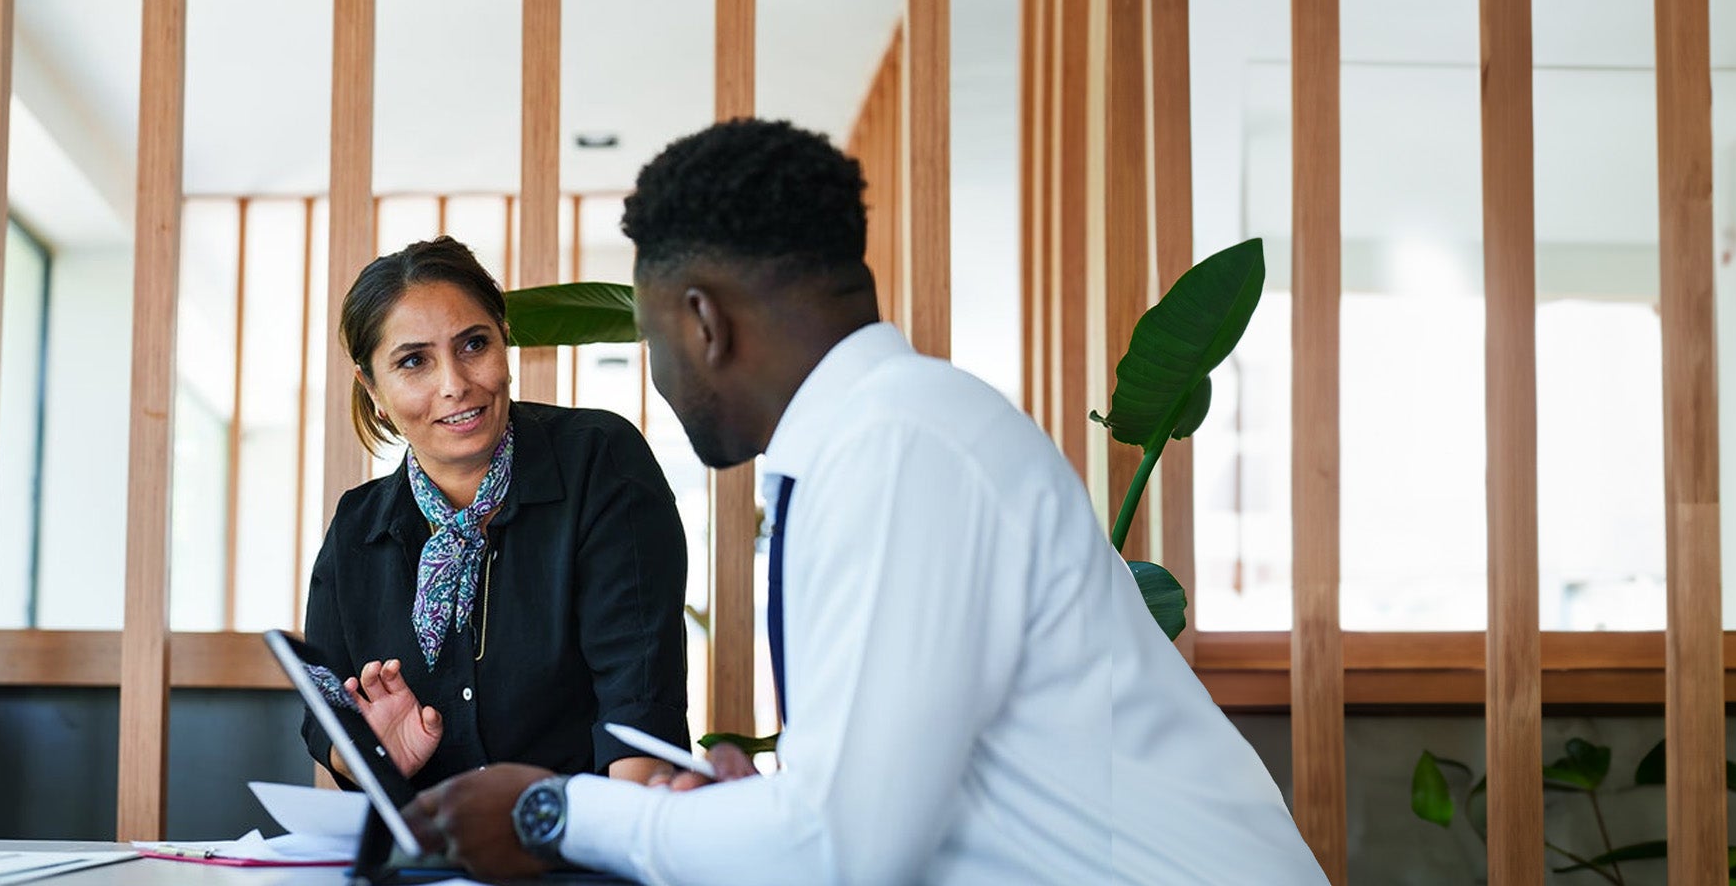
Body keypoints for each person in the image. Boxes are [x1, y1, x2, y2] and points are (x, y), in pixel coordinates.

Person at [401, 120, 1326, 884]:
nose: (660, 371)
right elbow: (865, 813)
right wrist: (758, 807)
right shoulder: (879, 437)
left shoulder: (898, 449)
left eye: (652, 336)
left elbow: (838, 858)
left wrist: (553, 809)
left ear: (703, 322)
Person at [301, 236, 693, 792]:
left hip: (580, 850)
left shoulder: (598, 459)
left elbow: (640, 706)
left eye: (473, 344)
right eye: (414, 361)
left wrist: (614, 847)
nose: (455, 384)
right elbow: (328, 724)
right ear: (374, 388)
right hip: (425, 857)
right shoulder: (356, 528)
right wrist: (369, 752)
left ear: (504, 343)